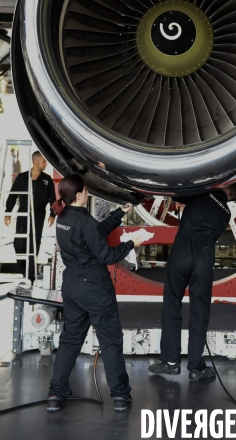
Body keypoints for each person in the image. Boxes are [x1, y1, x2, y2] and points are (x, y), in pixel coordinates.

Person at [47, 174, 140, 413]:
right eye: (86, 190)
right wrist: (132, 244)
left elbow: (94, 233)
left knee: (69, 340)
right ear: (78, 195)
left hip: (72, 286)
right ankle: (120, 396)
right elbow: (106, 255)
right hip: (95, 287)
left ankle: (56, 393)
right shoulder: (84, 222)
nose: (87, 193)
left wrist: (119, 213)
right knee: (110, 341)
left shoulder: (63, 217)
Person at [149, 182, 236, 381]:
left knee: (172, 303)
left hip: (182, 251)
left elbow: (175, 192)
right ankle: (196, 367)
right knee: (200, 310)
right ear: (233, 199)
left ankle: (170, 362)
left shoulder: (203, 192)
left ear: (225, 185)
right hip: (204, 256)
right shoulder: (225, 214)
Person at [4, 151, 56, 282]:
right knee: (19, 244)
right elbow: (12, 195)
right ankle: (24, 271)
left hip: (38, 216)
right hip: (23, 214)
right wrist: (7, 212)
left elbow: (53, 199)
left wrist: (52, 214)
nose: (46, 164)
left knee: (33, 245)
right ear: (36, 161)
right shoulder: (22, 177)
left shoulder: (47, 179)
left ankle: (30, 276)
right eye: (44, 161)